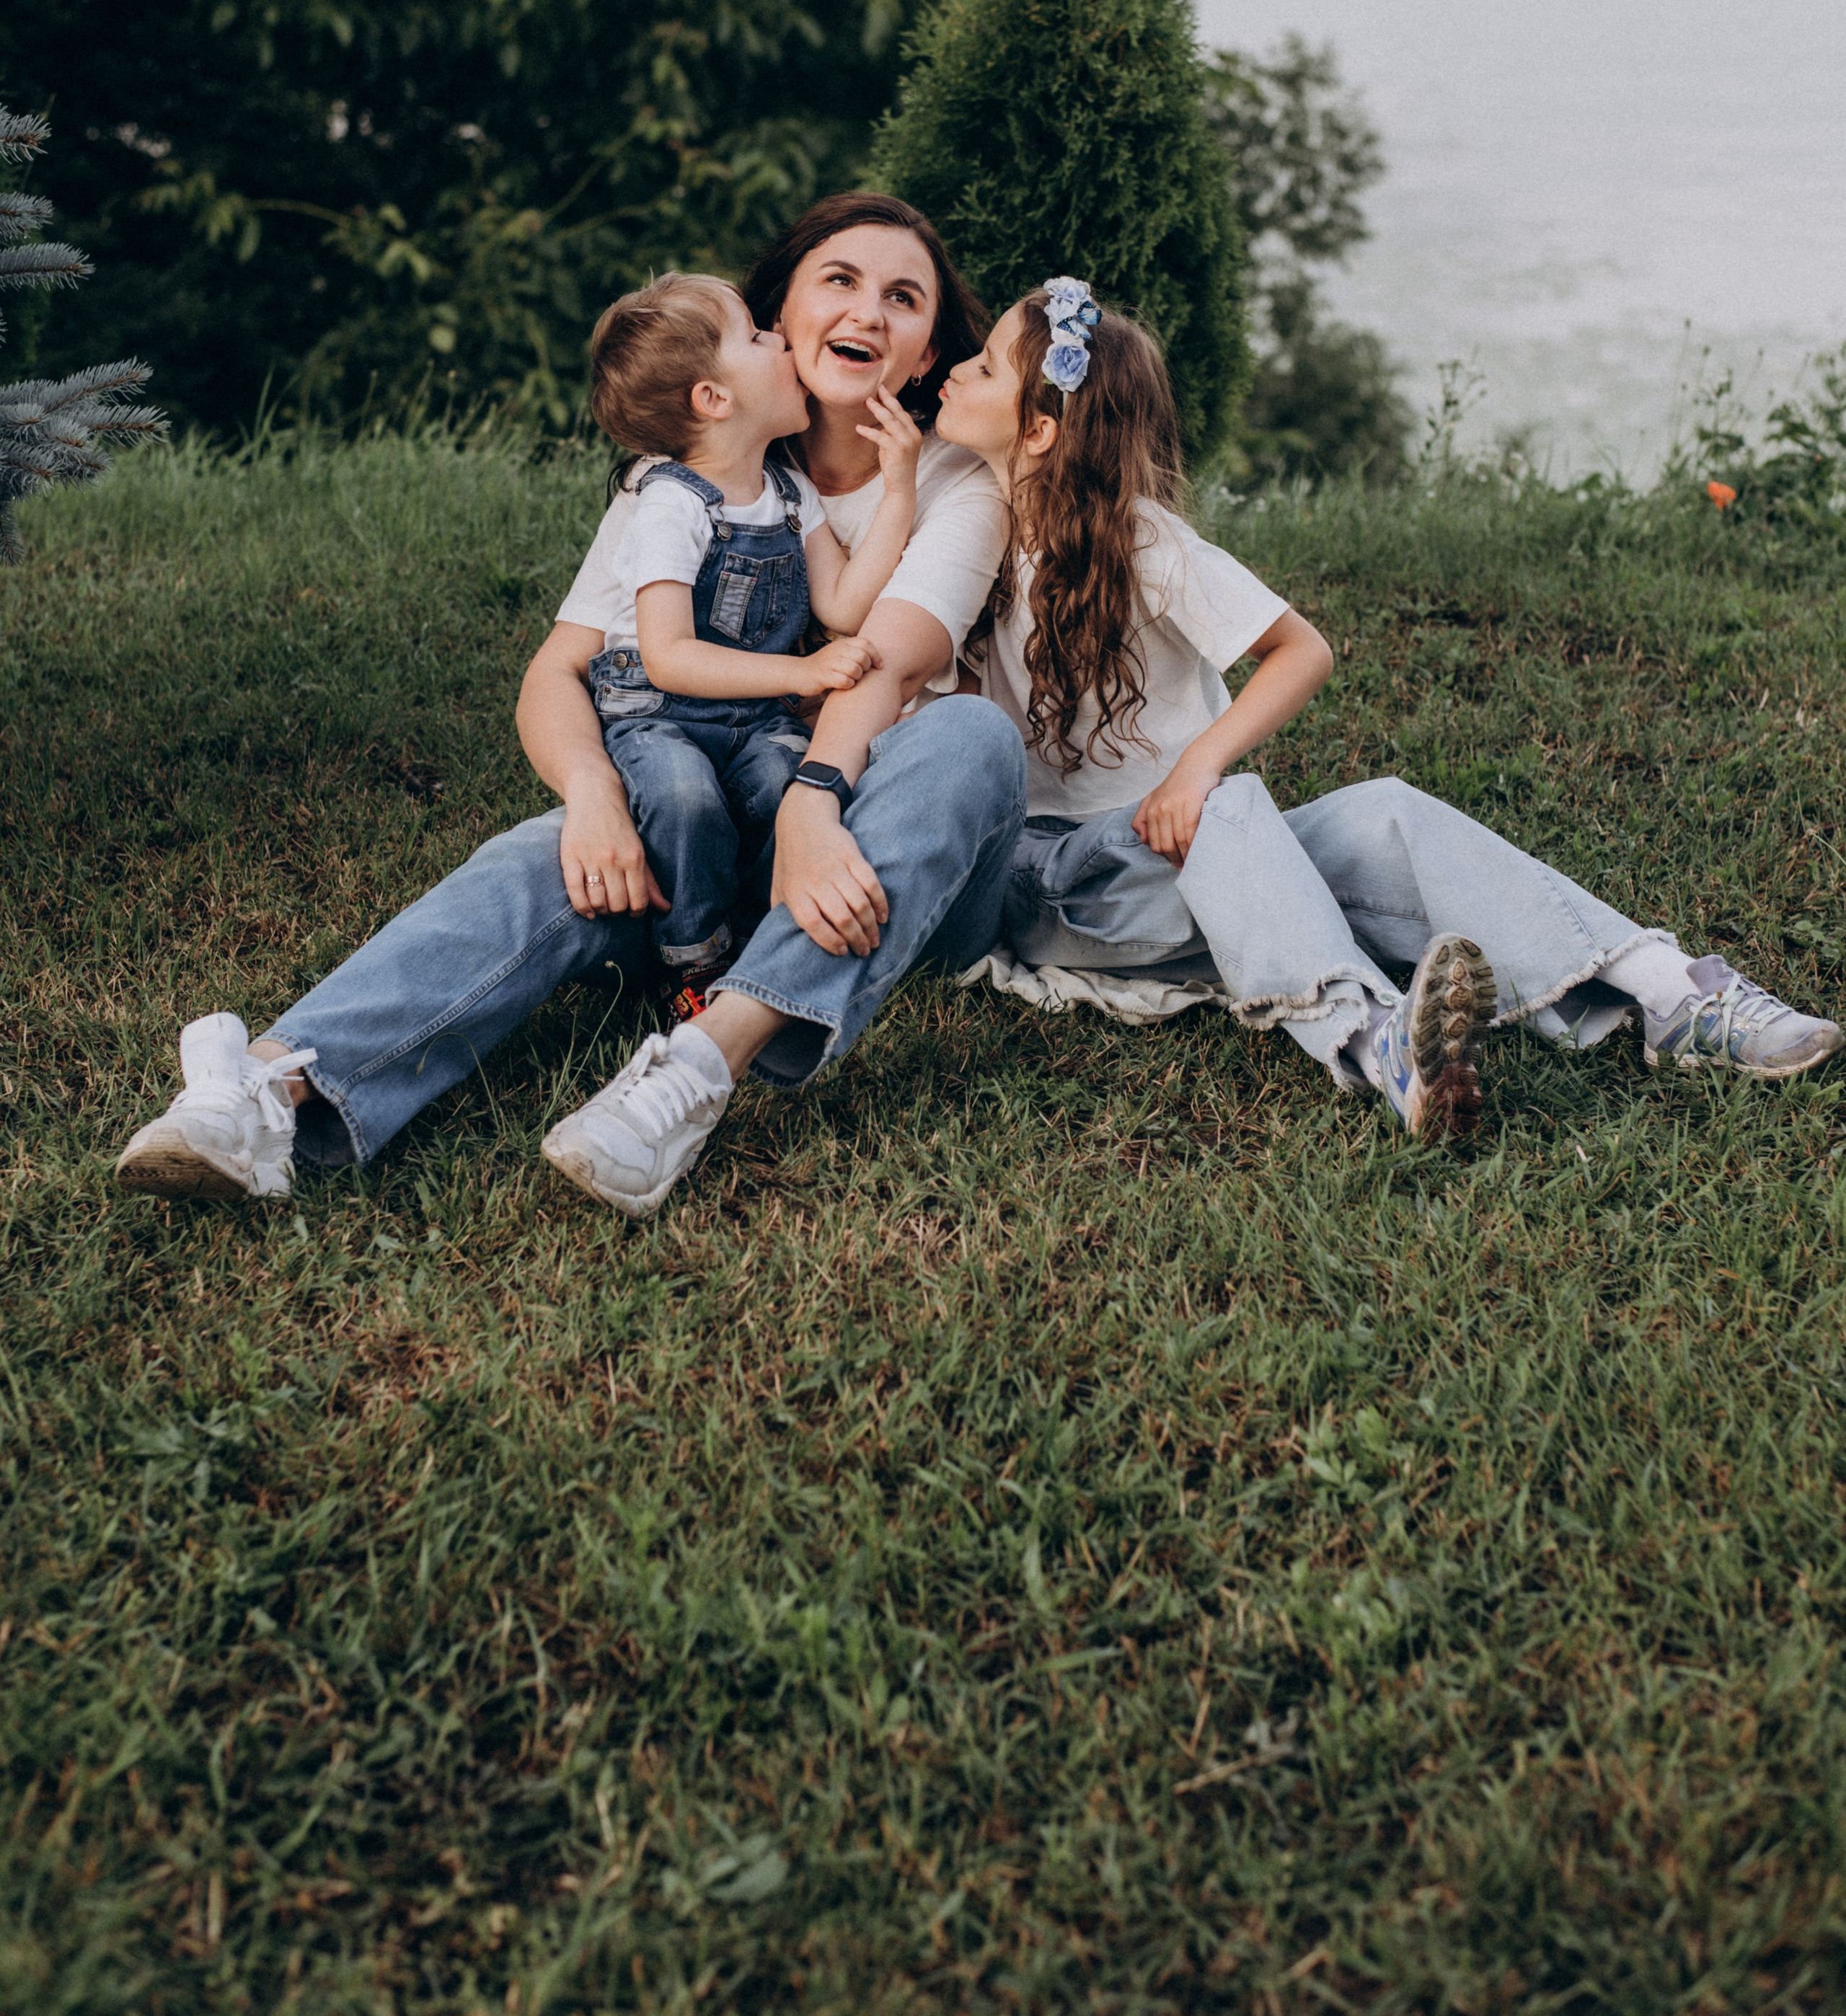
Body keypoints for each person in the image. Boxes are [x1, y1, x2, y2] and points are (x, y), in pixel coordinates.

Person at [113, 194, 1024, 1205]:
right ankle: (272, 1089)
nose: (868, 311)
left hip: (878, 860)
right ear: (781, 317)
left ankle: (696, 1068)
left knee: (970, 736)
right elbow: (559, 670)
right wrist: (593, 798)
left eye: (903, 297)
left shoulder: (952, 483)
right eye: (839, 281)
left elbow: (883, 661)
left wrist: (812, 804)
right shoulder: (678, 481)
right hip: (708, 839)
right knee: (544, 853)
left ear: (929, 344)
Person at [924, 278, 1844, 1130]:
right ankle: (1376, 1040)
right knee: (1237, 811)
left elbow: (1301, 650)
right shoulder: (969, 532)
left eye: (982, 365)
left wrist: (1197, 767)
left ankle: (1673, 992)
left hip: (1186, 861)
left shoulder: (1141, 542)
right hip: (1055, 890)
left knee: (1387, 812)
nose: (957, 367)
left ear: (1041, 430)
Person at [578, 271, 921, 1017]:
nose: (780, 339)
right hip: (660, 709)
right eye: (758, 336)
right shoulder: (668, 501)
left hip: (754, 717)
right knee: (682, 795)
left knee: (785, 782)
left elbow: (843, 601)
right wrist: (801, 667)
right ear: (713, 398)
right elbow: (668, 652)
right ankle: (689, 960)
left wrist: (899, 491)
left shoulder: (788, 493)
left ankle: (768, 938)